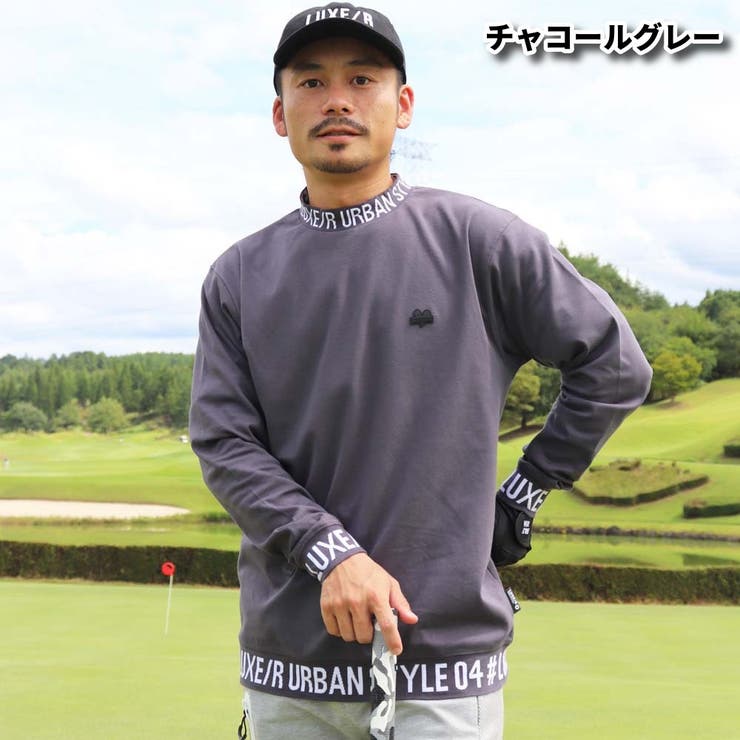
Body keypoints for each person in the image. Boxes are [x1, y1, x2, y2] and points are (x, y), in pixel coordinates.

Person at [189, 4, 653, 738]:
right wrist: (330, 552)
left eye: (361, 79)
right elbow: (224, 443)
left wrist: (523, 495)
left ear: (402, 105)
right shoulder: (238, 276)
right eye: (310, 82)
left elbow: (615, 365)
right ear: (280, 114)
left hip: (444, 674)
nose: (336, 100)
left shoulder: (480, 240)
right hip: (291, 673)